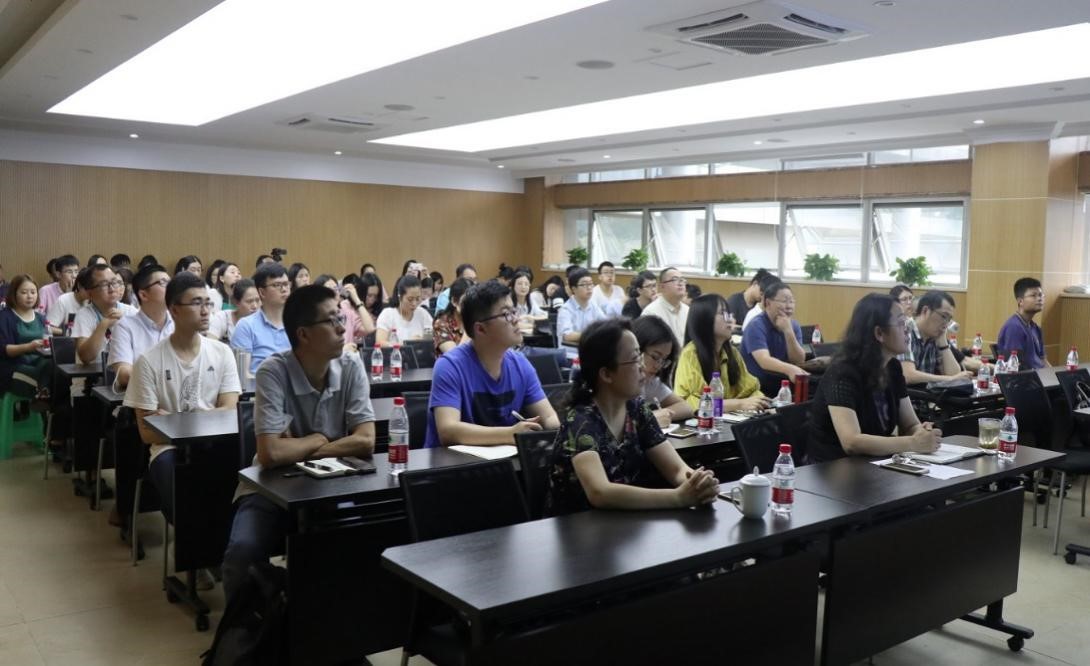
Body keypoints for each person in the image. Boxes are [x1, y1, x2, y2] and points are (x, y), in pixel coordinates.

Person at [222, 284, 375, 600]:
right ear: (303, 334)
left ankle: (330, 623)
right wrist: (323, 438)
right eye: (331, 321)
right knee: (242, 553)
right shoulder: (273, 372)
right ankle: (247, 627)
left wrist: (303, 446)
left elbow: (365, 440)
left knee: (360, 543)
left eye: (341, 318)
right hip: (270, 487)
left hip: (333, 483)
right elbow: (270, 453)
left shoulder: (351, 366)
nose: (342, 328)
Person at [123, 272, 240, 588]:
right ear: (174, 309)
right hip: (168, 449)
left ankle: (219, 550)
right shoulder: (149, 361)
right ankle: (195, 553)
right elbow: (148, 432)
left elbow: (229, 413)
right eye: (196, 303)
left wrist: (172, 420)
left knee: (240, 479)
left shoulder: (222, 353)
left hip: (216, 445)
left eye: (208, 303)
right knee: (179, 481)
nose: (206, 311)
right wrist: (203, 417)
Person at [544, 318, 719, 516]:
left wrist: (698, 484)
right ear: (606, 374)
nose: (643, 367)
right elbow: (600, 492)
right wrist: (677, 497)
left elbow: (677, 470)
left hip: (626, 522)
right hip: (578, 528)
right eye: (635, 359)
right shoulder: (580, 420)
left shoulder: (637, 410)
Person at [425, 280, 560, 448]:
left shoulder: (520, 364)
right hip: (451, 463)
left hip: (504, 461)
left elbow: (548, 417)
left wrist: (559, 429)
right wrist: (510, 434)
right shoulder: (450, 366)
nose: (516, 320)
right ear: (480, 329)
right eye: (506, 314)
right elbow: (448, 431)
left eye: (514, 311)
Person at [808, 293, 941, 462]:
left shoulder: (893, 367)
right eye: (901, 323)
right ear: (879, 333)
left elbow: (910, 424)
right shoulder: (842, 373)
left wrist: (922, 432)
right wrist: (913, 442)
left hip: (875, 463)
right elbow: (851, 442)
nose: (907, 329)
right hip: (834, 467)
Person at [675, 295, 769, 412]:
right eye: (723, 314)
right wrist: (739, 404)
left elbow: (750, 389)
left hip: (729, 418)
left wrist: (762, 402)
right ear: (705, 319)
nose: (730, 320)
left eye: (729, 314)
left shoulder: (732, 352)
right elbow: (693, 403)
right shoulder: (690, 354)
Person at [107, 264, 174, 391]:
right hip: (142, 397)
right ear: (143, 295)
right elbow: (124, 375)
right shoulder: (125, 327)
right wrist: (171, 377)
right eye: (163, 283)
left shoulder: (180, 322)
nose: (171, 288)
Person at [741, 280, 808, 395]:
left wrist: (788, 331)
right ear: (768, 303)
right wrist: (790, 369)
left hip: (782, 385)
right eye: (784, 301)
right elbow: (764, 361)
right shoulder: (756, 325)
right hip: (757, 387)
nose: (789, 306)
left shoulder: (793, 325)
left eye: (792, 301)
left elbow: (799, 360)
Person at [898, 290, 974, 385]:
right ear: (925, 311)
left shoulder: (934, 336)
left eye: (949, 319)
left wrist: (943, 343)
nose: (946, 324)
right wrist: (950, 379)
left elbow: (954, 374)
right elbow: (908, 376)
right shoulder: (904, 330)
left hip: (924, 393)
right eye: (944, 316)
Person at [631, 315, 692, 427]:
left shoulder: (650, 381)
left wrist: (659, 415)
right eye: (655, 357)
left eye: (664, 360)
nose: (658, 366)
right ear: (637, 349)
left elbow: (686, 408)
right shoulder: (617, 381)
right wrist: (650, 418)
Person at [231, 263, 291, 375]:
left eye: (286, 284)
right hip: (259, 384)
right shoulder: (246, 326)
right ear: (262, 292)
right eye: (277, 285)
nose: (284, 289)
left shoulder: (297, 323)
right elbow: (242, 375)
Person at [73, 264, 138, 366]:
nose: (112, 288)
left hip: (124, 371)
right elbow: (86, 357)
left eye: (114, 282)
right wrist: (104, 324)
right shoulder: (84, 315)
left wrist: (126, 322)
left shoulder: (130, 312)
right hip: (93, 374)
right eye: (104, 284)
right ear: (90, 293)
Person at [0, 275, 51, 401]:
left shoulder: (40, 318)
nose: (30, 296)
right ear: (14, 294)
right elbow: (3, 350)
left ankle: (44, 396)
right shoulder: (5, 317)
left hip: (38, 363)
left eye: (33, 292)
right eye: (24, 292)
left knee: (54, 367)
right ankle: (42, 396)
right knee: (43, 379)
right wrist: (29, 347)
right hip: (13, 367)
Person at [997, 277, 1047, 369]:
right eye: (1033, 295)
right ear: (1020, 301)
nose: (1039, 299)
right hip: (1027, 376)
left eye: (1040, 295)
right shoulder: (1014, 328)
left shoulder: (1035, 328)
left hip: (1040, 374)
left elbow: (1043, 360)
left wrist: (1053, 375)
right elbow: (1015, 367)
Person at [375, 275, 433, 346]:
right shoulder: (387, 314)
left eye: (417, 299)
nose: (414, 303)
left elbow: (432, 339)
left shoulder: (423, 314)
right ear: (400, 297)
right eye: (410, 299)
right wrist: (407, 344)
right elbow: (380, 343)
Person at [556, 268, 607, 347]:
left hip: (588, 350)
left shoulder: (593, 305)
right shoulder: (566, 309)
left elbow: (606, 323)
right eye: (584, 285)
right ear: (574, 289)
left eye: (591, 284)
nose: (589, 287)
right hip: (571, 352)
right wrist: (592, 334)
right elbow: (567, 336)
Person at [640, 266, 689, 346]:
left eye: (682, 280)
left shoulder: (688, 311)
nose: (680, 283)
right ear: (662, 286)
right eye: (674, 279)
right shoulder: (651, 313)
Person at [209, 278, 259, 343]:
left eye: (258, 300)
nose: (255, 306)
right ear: (236, 302)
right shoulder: (223, 318)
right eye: (249, 301)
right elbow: (210, 343)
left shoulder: (263, 321)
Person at [432, 277, 472, 356]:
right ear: (454, 301)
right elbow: (456, 357)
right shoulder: (441, 324)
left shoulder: (478, 321)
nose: (471, 305)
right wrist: (470, 325)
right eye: (466, 301)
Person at [46, 266, 91, 336]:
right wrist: (67, 332)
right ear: (79, 286)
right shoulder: (64, 300)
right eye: (89, 288)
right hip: (67, 340)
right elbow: (48, 327)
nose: (92, 292)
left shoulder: (94, 302)